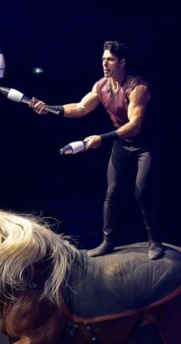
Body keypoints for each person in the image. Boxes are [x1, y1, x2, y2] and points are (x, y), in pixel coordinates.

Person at [30, 40, 163, 260]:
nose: (105, 63)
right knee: (111, 193)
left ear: (122, 62)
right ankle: (108, 242)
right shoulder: (101, 85)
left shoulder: (138, 87)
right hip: (122, 144)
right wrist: (49, 109)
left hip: (144, 145)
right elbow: (81, 107)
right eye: (103, 59)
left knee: (142, 191)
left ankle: (155, 242)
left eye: (110, 59)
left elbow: (134, 125)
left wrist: (101, 138)